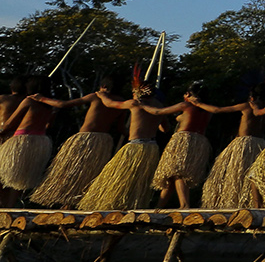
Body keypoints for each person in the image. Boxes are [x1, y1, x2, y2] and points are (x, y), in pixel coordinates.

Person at [79, 71, 178, 211]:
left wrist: (101, 95)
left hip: (135, 147)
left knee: (117, 178)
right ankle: (132, 205)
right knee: (137, 181)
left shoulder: (134, 103)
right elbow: (165, 129)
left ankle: (110, 206)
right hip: (151, 147)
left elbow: (110, 104)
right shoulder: (159, 106)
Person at [28, 76, 121, 209]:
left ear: (103, 87)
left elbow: (63, 104)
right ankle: (71, 204)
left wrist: (41, 99)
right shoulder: (122, 102)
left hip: (86, 139)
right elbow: (120, 128)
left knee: (72, 171)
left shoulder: (96, 96)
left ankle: (67, 204)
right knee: (88, 173)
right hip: (104, 141)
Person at [153, 84, 232, 209]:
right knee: (172, 176)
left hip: (184, 140)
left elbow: (158, 112)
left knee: (178, 173)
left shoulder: (185, 105)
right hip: (199, 142)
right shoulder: (206, 110)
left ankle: (184, 205)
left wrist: (141, 105)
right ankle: (159, 206)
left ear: (189, 94)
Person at [200, 88, 265, 210]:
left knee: (236, 174)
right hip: (261, 144)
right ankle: (253, 203)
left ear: (252, 98)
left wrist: (197, 104)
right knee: (253, 176)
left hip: (244, 144)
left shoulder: (247, 106)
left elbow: (218, 110)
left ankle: (234, 202)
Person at [0, 77, 64, 206]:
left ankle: (6, 206)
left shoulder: (22, 100)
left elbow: (8, 124)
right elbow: (48, 125)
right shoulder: (45, 104)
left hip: (16, 139)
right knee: (16, 177)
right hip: (34, 141)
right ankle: (10, 206)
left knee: (6, 175)